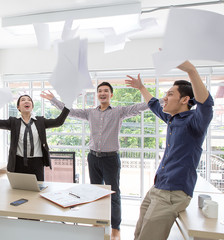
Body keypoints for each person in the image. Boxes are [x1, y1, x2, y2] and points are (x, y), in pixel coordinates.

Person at [41, 82, 149, 240]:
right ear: (97, 95)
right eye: (100, 91)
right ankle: (97, 222)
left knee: (114, 194)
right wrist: (54, 100)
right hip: (93, 158)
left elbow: (140, 107)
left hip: (111, 158)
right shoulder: (90, 112)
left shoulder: (119, 111)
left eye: (106, 91)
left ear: (111, 95)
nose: (102, 93)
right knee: (95, 192)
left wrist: (160, 101)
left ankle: (115, 227)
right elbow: (69, 112)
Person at [125, 60, 214, 240]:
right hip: (158, 188)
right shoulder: (173, 119)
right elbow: (154, 104)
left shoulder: (195, 122)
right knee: (138, 233)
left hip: (173, 192)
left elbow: (206, 105)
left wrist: (191, 70)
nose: (164, 98)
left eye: (170, 94)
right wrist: (141, 87)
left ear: (184, 100)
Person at [0, 95, 69, 181]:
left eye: (29, 100)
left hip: (37, 162)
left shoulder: (40, 121)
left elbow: (58, 122)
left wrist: (67, 106)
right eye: (23, 100)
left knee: (37, 189)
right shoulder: (13, 122)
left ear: (32, 106)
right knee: (18, 190)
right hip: (18, 162)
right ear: (18, 107)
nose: (26, 101)